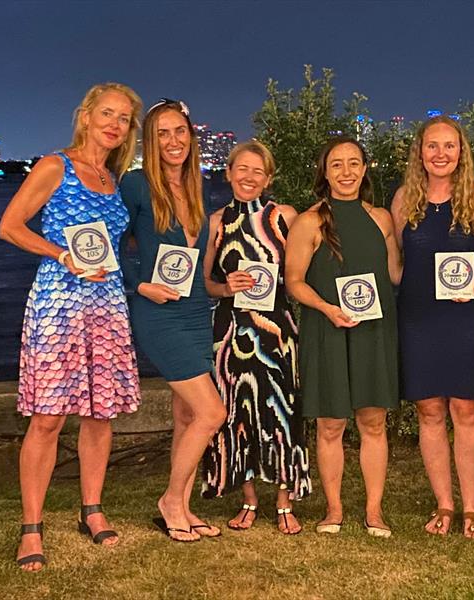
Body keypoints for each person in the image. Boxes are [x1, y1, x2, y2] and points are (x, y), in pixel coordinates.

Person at [0, 83, 143, 571]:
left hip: (106, 304)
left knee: (100, 414)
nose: (114, 124)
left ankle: (92, 510)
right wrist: (60, 253)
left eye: (124, 119)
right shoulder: (54, 166)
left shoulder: (113, 176)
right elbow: (11, 226)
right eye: (107, 113)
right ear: (85, 116)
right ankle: (31, 527)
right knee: (48, 418)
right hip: (60, 304)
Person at [120, 98, 226, 542]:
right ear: (149, 139)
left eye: (179, 131)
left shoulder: (197, 185)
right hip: (159, 312)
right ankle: (169, 500)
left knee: (187, 414)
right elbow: (106, 245)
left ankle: (180, 506)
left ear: (191, 136)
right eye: (162, 133)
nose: (172, 141)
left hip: (195, 307)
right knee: (211, 412)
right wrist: (139, 284)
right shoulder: (135, 184)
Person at [286, 136, 401, 537]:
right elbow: (294, 282)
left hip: (373, 330)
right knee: (331, 424)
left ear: (365, 169)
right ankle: (333, 509)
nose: (347, 172)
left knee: (373, 421)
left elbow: (396, 275)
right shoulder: (310, 221)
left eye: (354, 163)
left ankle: (374, 510)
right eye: (337, 164)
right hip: (327, 329)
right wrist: (326, 309)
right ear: (325, 172)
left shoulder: (382, 219)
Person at [390, 115, 474, 539]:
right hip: (418, 317)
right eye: (432, 146)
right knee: (429, 410)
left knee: (467, 410)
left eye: (449, 146)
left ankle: (471, 507)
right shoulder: (403, 199)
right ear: (420, 152)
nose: (440, 154)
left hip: (466, 316)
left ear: (461, 152)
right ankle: (444, 504)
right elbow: (397, 265)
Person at [200, 141, 311, 534]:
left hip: (278, 331)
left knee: (282, 412)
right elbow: (205, 284)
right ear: (228, 173)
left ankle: (284, 501)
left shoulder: (285, 217)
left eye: (257, 171)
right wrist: (225, 287)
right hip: (231, 332)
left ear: (269, 178)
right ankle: (247, 497)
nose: (249, 177)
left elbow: (305, 271)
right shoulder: (216, 222)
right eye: (241, 169)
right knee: (237, 414)